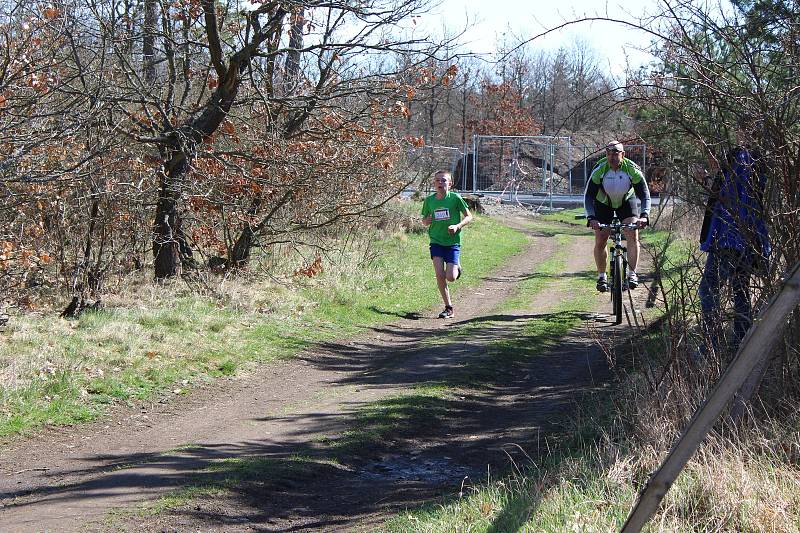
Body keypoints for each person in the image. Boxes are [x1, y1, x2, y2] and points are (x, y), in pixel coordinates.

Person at [697, 146, 770, 357]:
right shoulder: (758, 157)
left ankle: (711, 347)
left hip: (730, 238)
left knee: (708, 289)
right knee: (741, 291)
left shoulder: (742, 157)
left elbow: (731, 200)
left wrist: (710, 181)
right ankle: (741, 345)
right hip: (749, 239)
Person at [584, 140, 651, 292]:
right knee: (601, 239)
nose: (612, 157)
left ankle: (632, 274)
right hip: (603, 204)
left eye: (615, 154)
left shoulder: (631, 169)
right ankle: (602, 276)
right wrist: (591, 217)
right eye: (609, 154)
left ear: (623, 154)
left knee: (632, 234)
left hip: (626, 202)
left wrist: (644, 216)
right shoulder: (600, 169)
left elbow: (645, 195)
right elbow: (588, 196)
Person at [421, 170, 473, 318]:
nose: (440, 183)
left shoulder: (455, 198)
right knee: (439, 274)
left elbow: (469, 216)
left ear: (450, 184)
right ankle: (448, 307)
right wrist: (426, 221)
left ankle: (457, 267)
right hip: (436, 241)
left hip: (452, 242)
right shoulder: (429, 201)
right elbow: (424, 220)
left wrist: (458, 226)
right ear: (434, 183)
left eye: (443, 180)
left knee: (450, 277)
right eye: (437, 180)